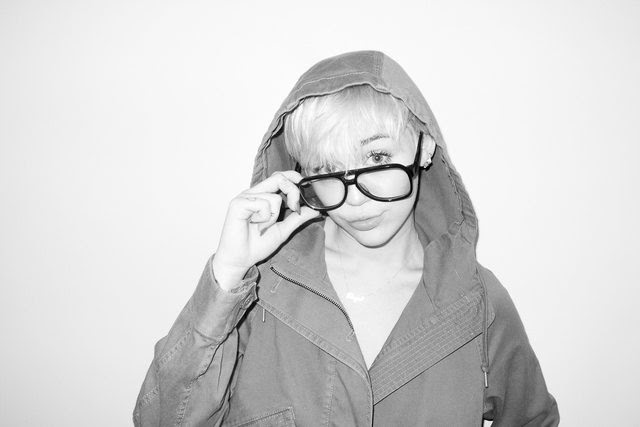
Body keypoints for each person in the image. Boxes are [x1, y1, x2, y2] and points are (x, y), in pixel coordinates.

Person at [133, 51, 559, 426]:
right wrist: (227, 275)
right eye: (325, 168)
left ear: (425, 147)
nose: (355, 198)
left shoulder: (478, 302)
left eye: (377, 156)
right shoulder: (257, 290)